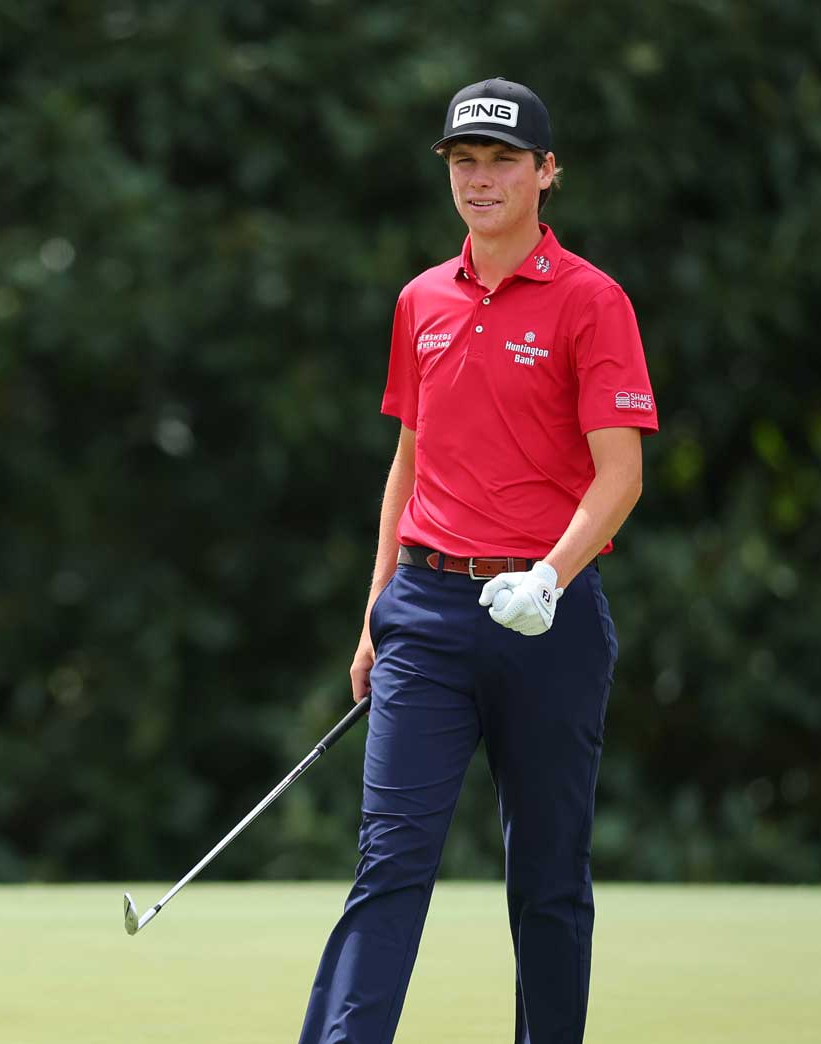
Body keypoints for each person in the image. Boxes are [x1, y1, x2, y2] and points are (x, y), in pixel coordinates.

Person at [297, 78, 659, 1044]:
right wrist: (378, 609)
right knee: (391, 859)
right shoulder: (421, 300)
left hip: (550, 617)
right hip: (427, 609)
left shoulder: (593, 302)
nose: (482, 179)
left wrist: (551, 574)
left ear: (547, 172)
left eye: (504, 160)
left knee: (546, 875)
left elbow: (619, 475)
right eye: (465, 161)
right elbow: (409, 463)